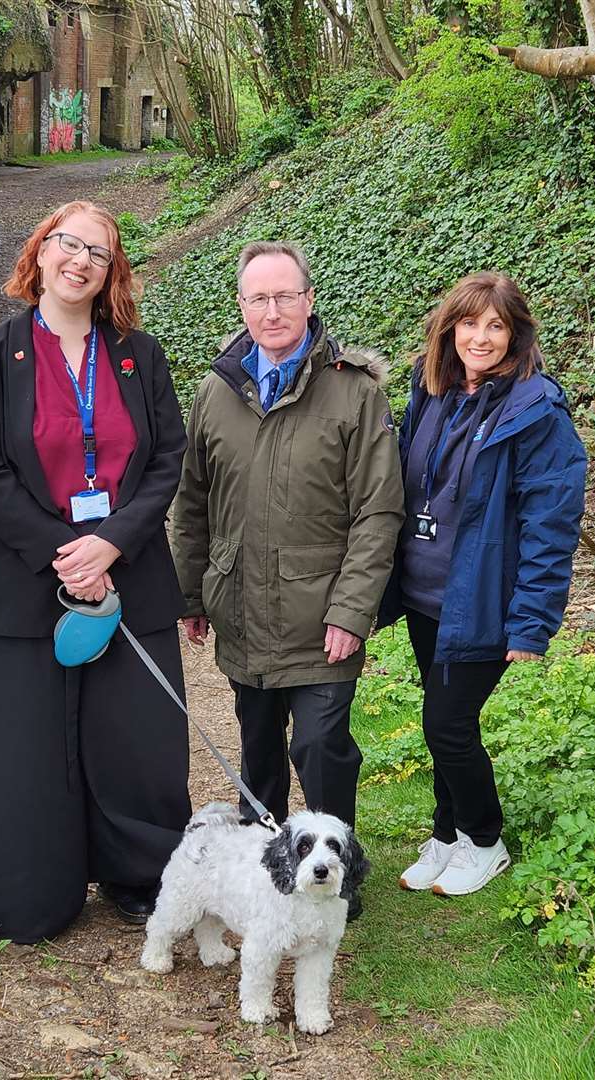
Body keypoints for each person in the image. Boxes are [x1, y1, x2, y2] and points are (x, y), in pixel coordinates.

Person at [0, 201, 190, 941]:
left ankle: (140, 875)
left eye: (98, 254)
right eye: (68, 244)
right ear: (39, 252)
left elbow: (167, 458)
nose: (80, 261)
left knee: (134, 736)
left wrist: (110, 544)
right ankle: (25, 879)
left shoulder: (140, 353)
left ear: (111, 273)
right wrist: (59, 551)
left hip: (125, 568)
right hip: (19, 575)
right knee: (23, 736)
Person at [170, 240, 404, 918]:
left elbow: (377, 509)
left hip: (323, 615)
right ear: (241, 306)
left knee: (320, 745)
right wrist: (191, 592)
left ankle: (339, 882)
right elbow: (192, 503)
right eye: (257, 298)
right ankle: (265, 877)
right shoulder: (216, 392)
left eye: (283, 296)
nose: (271, 310)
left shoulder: (353, 392)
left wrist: (351, 610)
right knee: (259, 752)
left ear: (307, 299)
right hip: (242, 608)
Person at [377, 272, 586, 896]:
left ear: (516, 334)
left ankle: (486, 839)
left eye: (496, 325)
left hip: (483, 599)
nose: (481, 337)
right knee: (441, 718)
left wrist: (532, 619)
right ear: (450, 328)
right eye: (469, 323)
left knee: (448, 724)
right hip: (425, 591)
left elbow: (551, 523)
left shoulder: (536, 412)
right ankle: (448, 835)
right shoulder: (430, 388)